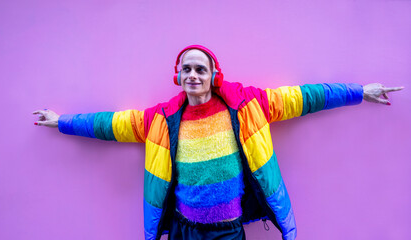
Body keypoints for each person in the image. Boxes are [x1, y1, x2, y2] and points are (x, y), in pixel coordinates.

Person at [32, 45, 404, 240]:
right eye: (187, 68)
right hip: (183, 229)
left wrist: (359, 92)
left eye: (201, 68)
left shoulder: (248, 104)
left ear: (213, 75)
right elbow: (108, 123)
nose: (193, 74)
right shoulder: (159, 118)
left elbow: (305, 97)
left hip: (228, 231)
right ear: (178, 76)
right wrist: (62, 121)